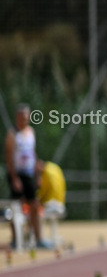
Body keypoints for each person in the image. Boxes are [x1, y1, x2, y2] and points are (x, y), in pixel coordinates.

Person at [5, 104, 47, 248]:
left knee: (34, 205)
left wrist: (38, 174)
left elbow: (33, 154)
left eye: (27, 116)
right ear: (17, 117)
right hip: (17, 174)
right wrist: (14, 178)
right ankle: (15, 239)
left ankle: (38, 238)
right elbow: (9, 159)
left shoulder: (31, 132)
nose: (25, 119)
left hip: (29, 173)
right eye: (22, 117)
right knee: (16, 207)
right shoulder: (12, 135)